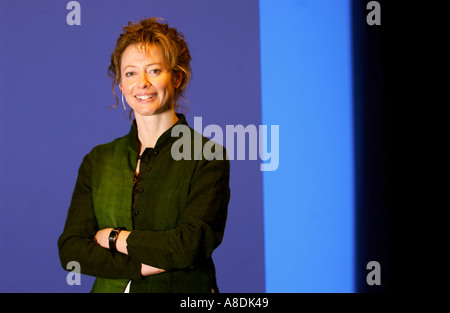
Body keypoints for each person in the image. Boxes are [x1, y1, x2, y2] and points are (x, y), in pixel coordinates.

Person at [58, 17, 230, 293]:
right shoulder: (98, 159)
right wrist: (139, 266)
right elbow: (71, 250)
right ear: (121, 86)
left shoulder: (207, 156)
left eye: (154, 70)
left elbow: (188, 246)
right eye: (130, 73)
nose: (142, 83)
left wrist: (114, 238)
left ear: (176, 77)